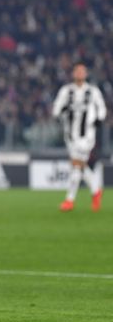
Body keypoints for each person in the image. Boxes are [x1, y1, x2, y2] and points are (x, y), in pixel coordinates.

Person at [52, 63, 107, 212]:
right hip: (70, 136)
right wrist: (62, 111)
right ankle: (96, 190)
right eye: (77, 71)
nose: (80, 73)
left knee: (76, 165)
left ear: (86, 73)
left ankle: (69, 200)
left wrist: (99, 120)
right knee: (80, 165)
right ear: (73, 73)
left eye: (82, 71)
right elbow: (56, 110)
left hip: (87, 136)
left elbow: (102, 108)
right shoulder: (66, 91)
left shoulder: (93, 91)